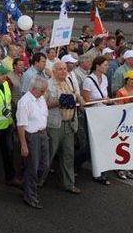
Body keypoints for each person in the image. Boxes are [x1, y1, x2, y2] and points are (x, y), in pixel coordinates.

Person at [44, 62, 81, 194]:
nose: (63, 71)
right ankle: (38, 180)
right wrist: (58, 103)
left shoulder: (69, 80)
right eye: (60, 69)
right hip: (54, 125)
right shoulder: (48, 84)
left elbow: (75, 93)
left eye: (65, 69)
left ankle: (69, 184)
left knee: (68, 155)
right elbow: (42, 104)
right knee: (49, 154)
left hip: (69, 124)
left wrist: (79, 98)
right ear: (53, 71)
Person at [17, 76, 49, 209]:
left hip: (43, 134)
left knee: (44, 165)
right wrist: (24, 145)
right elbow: (21, 126)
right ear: (35, 89)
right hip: (32, 136)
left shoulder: (40, 98)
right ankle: (30, 196)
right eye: (42, 91)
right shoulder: (24, 102)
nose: (44, 93)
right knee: (32, 167)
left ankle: (26, 185)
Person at [79, 56, 112, 185]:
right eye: (104, 65)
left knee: (101, 144)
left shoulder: (104, 78)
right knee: (89, 146)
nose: (107, 67)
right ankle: (76, 162)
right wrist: (101, 100)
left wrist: (107, 100)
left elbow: (105, 95)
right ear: (97, 66)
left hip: (102, 113)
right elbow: (86, 101)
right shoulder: (88, 81)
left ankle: (100, 172)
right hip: (91, 115)